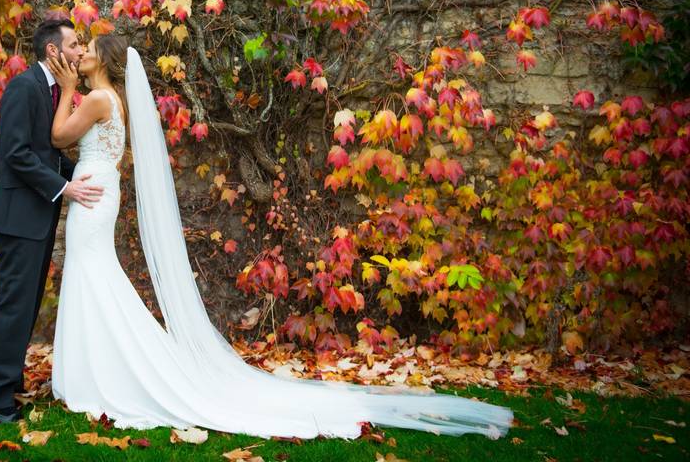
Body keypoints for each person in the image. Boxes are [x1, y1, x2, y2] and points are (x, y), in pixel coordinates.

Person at [44, 32, 514, 439]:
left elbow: (60, 137)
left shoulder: (101, 99)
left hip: (92, 197)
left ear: (104, 61)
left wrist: (66, 90)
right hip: (96, 193)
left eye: (86, 53)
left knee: (94, 275)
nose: (79, 56)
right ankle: (97, 369)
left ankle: (105, 373)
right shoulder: (110, 101)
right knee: (94, 276)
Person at [0, 19, 104, 423]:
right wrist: (64, 188)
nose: (80, 50)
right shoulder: (23, 87)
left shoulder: (54, 90)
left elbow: (46, 152)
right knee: (13, 306)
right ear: (54, 51)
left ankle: (9, 382)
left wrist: (83, 173)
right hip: (19, 215)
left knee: (28, 304)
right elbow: (15, 153)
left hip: (39, 212)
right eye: (74, 44)